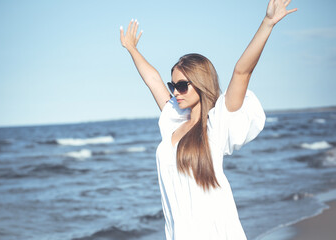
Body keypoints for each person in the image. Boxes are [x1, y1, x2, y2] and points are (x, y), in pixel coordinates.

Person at [120, 0, 297, 239]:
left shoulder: (216, 125)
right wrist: (131, 49)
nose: (175, 92)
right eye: (173, 85)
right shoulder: (173, 121)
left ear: (201, 83)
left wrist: (267, 24)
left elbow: (242, 71)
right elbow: (153, 80)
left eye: (182, 86)